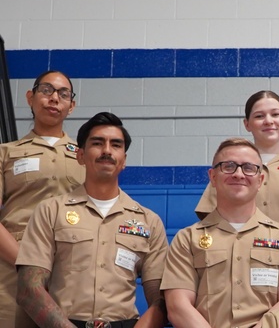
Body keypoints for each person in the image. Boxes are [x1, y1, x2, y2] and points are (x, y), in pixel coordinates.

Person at [15, 112, 168, 328]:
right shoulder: (50, 211)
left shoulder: (148, 221)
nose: (107, 150)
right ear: (80, 156)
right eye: (97, 143)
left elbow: (161, 299)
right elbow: (29, 289)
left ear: (124, 160)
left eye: (116, 145)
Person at [195, 90, 279, 293]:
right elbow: (212, 226)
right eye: (259, 116)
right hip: (234, 275)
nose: (268, 121)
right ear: (247, 124)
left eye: (275, 114)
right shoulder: (228, 171)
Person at [161, 137, 279, 328]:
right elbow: (177, 306)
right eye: (229, 166)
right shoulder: (187, 239)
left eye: (248, 168)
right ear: (213, 177)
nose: (239, 174)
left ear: (260, 179)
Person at [0, 70, 85, 328]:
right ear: (30, 97)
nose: (54, 98)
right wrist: (28, 263)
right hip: (13, 267)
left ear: (72, 106)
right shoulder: (6, 153)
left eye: (63, 93)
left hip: (69, 270)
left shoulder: (86, 156)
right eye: (46, 90)